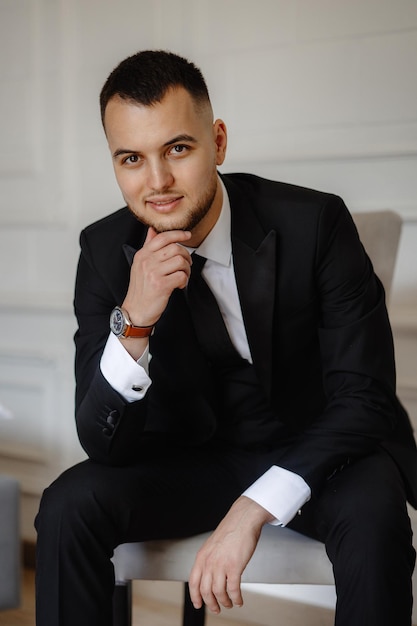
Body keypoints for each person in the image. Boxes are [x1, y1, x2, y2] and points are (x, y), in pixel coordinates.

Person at [35, 49, 417, 626]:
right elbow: (102, 443)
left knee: (375, 514)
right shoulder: (102, 252)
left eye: (178, 149)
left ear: (218, 140)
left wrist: (252, 509)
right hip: (191, 457)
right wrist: (135, 320)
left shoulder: (314, 223)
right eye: (132, 158)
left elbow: (364, 397)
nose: (157, 181)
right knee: (67, 504)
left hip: (319, 447)